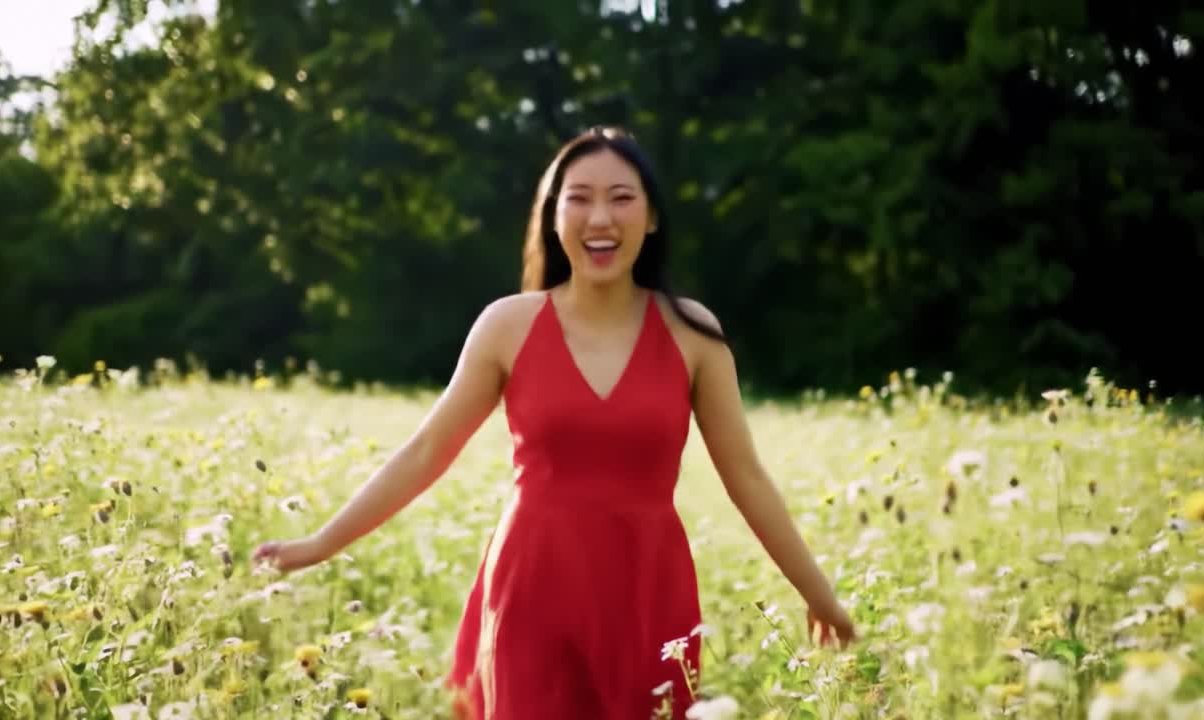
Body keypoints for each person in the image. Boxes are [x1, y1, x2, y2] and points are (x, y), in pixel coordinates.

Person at [251, 125, 855, 719]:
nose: (600, 218)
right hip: (530, 593)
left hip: (648, 599)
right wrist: (318, 544)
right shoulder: (507, 326)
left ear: (651, 219)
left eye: (621, 198)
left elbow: (746, 476)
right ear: (552, 214)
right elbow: (427, 449)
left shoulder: (692, 334)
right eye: (579, 198)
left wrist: (818, 595)